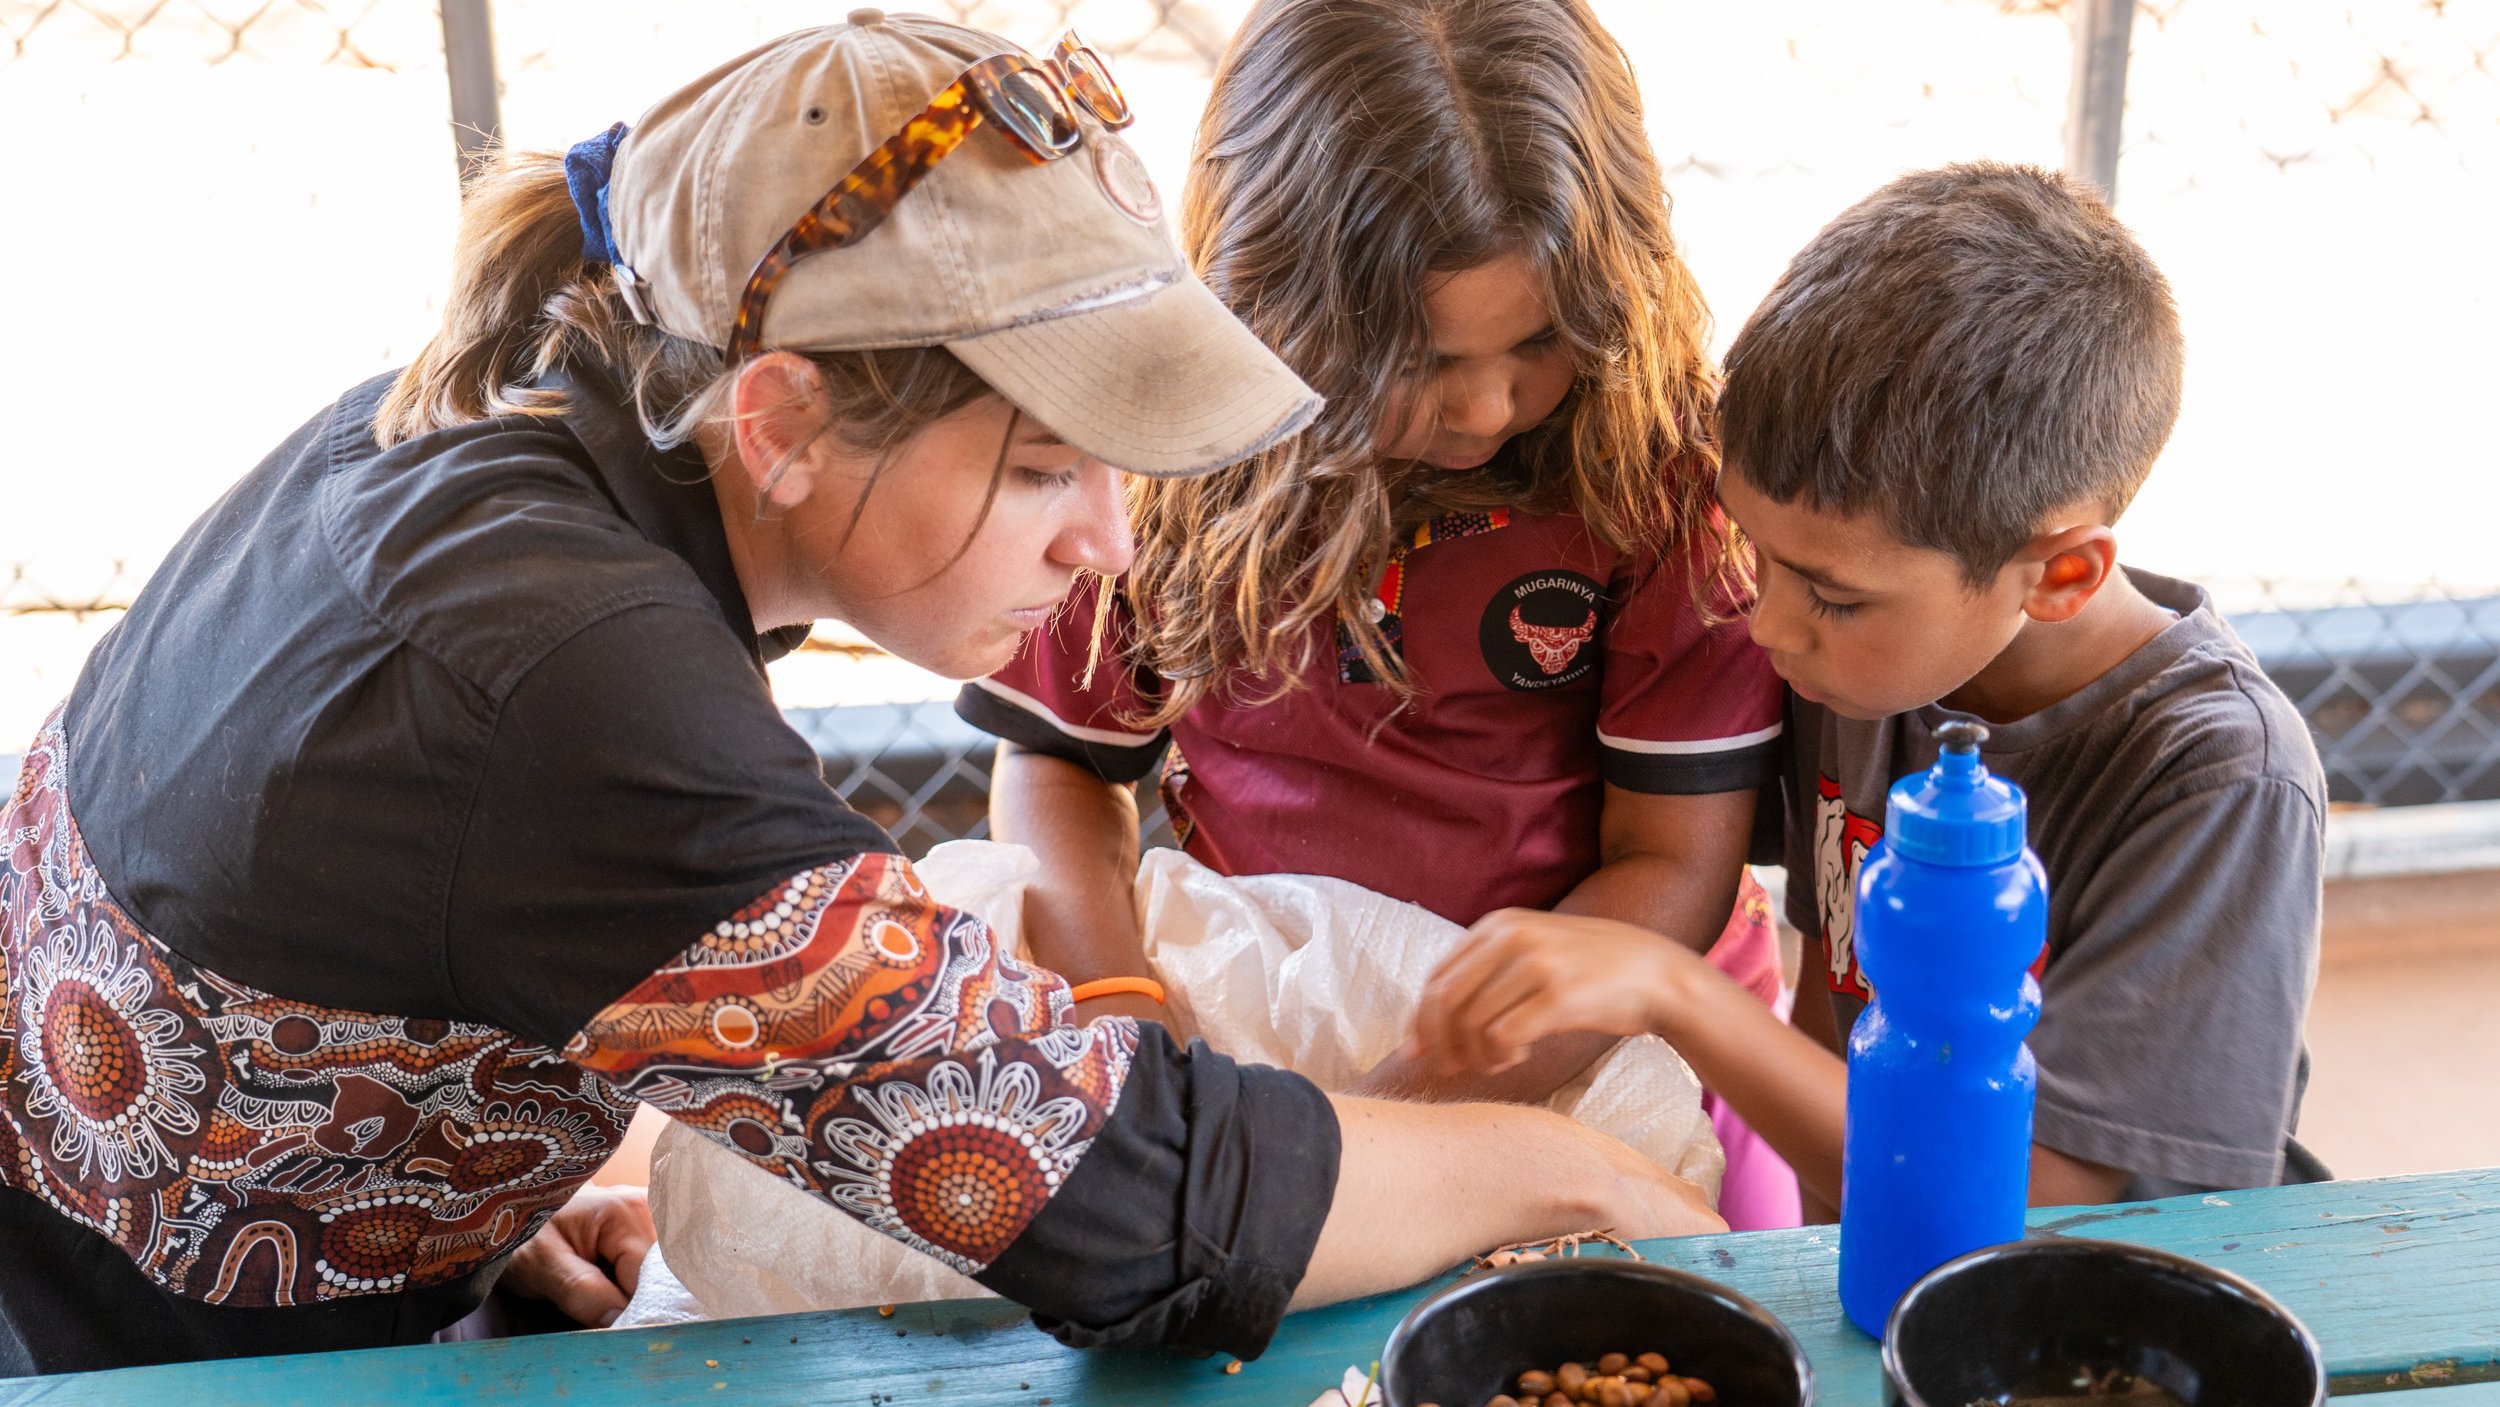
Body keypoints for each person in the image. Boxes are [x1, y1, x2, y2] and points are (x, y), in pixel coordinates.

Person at [0, 16, 1721, 1377]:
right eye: (1048, 468)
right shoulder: (583, 688)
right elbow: (1117, 1202)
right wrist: (1558, 1172)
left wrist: (472, 1187)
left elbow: (314, 920)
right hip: (135, 1361)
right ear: (782, 422)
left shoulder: (493, 422)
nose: (1108, 540)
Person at [956, 0, 1802, 1229]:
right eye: (1412, 359)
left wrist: (1380, 1133)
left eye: (1540, 342)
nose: (1485, 410)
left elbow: (1670, 867)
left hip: (1600, 1040)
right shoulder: (1159, 437)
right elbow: (1056, 762)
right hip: (1265, 1010)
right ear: (1271, 304)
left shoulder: (1660, 475)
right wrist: (1120, 1004)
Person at [1406, 162, 2327, 1212]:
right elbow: (1827, 998)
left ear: (2062, 573)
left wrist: (1677, 993)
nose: (1765, 625)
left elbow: (2036, 1199)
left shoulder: (2219, 777)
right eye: (1757, 553)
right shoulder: (1866, 670)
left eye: (1830, 595)